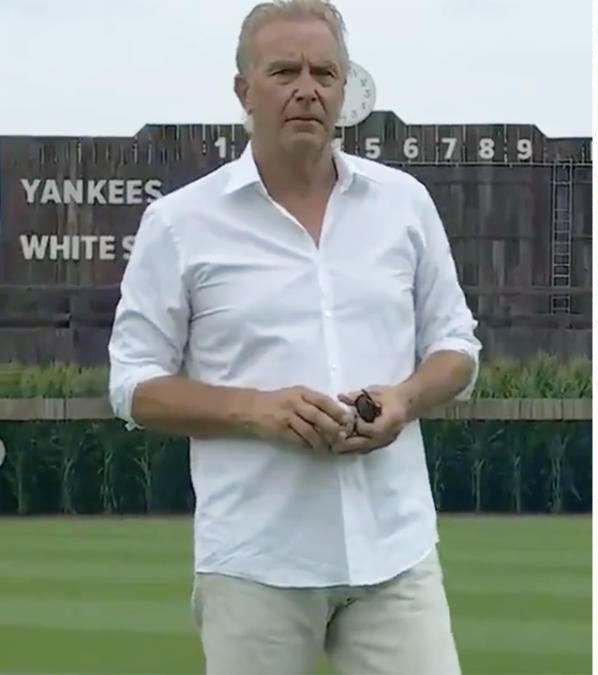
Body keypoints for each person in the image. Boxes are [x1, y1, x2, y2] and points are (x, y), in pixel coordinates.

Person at [107, 2, 479, 673]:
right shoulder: (180, 223)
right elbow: (132, 383)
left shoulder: (404, 203)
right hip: (256, 562)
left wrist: (404, 397)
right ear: (243, 90)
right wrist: (254, 409)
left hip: (394, 551)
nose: (307, 88)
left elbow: (457, 346)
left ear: (344, 90)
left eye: (324, 72)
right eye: (284, 71)